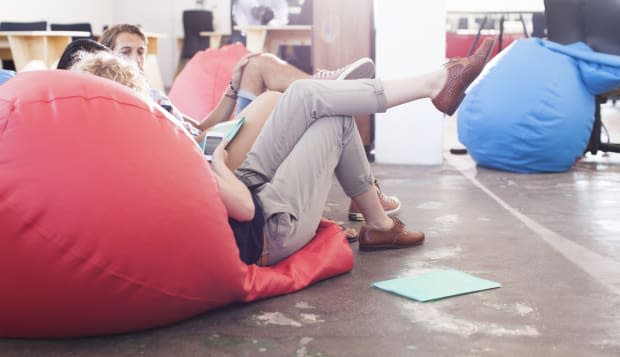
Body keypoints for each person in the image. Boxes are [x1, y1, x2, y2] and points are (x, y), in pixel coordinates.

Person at [215, 37, 496, 265]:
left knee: (303, 93)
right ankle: (378, 221)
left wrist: (230, 90)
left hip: (246, 182)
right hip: (266, 225)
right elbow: (245, 208)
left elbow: (197, 128)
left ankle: (432, 84)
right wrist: (215, 163)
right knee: (336, 115)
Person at [98, 24, 398, 223]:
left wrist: (231, 88)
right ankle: (327, 85)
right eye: (126, 52)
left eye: (141, 51)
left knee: (255, 64)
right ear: (107, 57)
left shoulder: (152, 92)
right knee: (287, 84)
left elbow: (199, 127)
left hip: (216, 140)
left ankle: (328, 87)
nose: (136, 59)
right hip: (215, 160)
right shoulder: (123, 99)